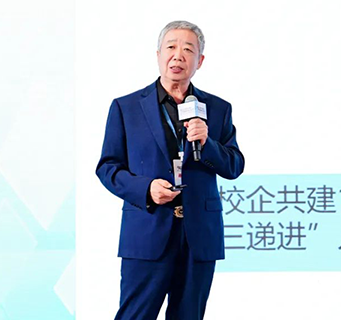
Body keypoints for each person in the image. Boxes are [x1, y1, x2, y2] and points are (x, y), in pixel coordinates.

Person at [96, 20, 244, 320]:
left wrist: (207, 143)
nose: (178, 55)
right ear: (158, 55)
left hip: (198, 237)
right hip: (147, 232)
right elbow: (108, 167)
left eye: (188, 49)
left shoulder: (217, 109)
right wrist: (146, 189)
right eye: (171, 47)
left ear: (199, 61)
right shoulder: (126, 107)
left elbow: (234, 165)